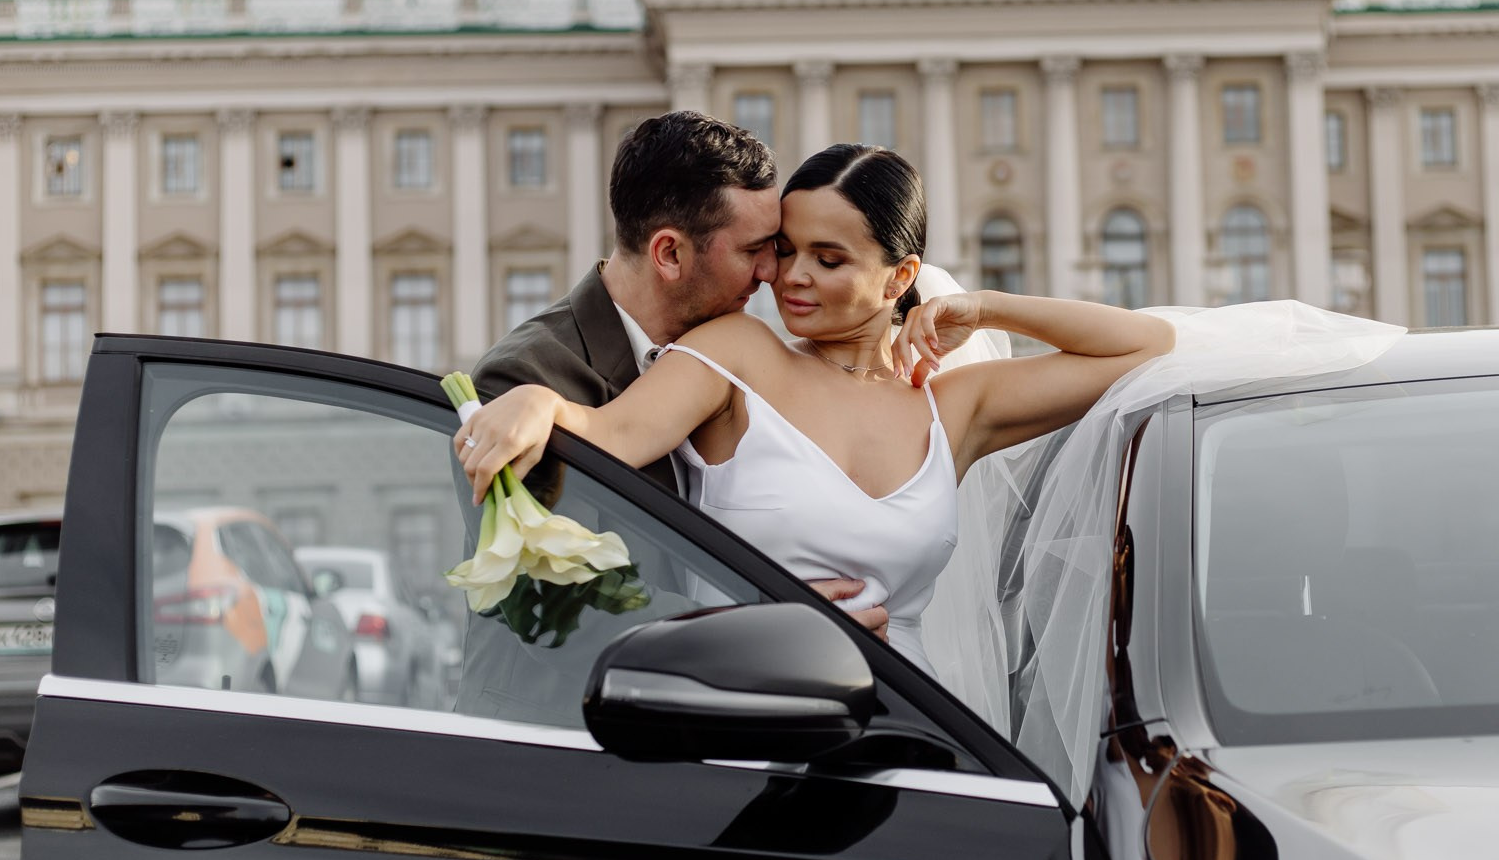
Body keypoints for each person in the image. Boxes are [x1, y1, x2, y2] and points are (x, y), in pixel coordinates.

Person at [456, 142, 1176, 676]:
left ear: (899, 277)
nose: (789, 277)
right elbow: (609, 435)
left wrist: (984, 307)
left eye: (828, 260)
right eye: (785, 249)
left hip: (910, 721)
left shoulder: (953, 404)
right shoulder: (735, 351)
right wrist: (537, 399)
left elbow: (1143, 346)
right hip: (750, 718)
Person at [452, 112, 884, 723]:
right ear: (670, 254)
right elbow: (560, 609)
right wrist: (768, 631)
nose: (773, 275)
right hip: (555, 761)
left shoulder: (737, 364)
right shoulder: (524, 382)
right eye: (756, 251)